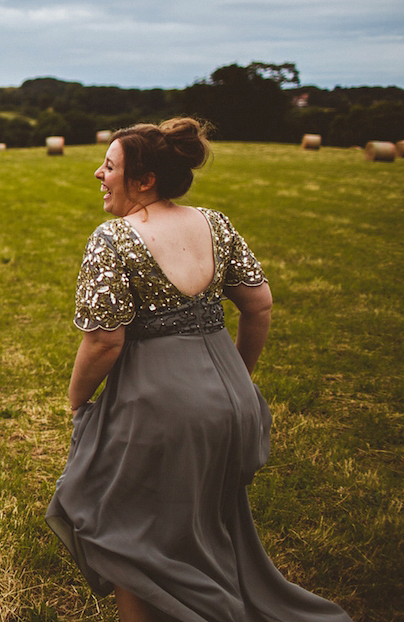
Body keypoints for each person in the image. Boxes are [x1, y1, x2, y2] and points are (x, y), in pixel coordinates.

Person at [46, 118, 351, 622]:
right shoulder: (215, 223)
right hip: (229, 400)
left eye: (110, 166)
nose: (98, 174)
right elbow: (260, 306)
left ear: (145, 180)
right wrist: (239, 379)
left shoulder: (115, 238)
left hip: (159, 405)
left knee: (123, 527)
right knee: (202, 524)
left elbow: (103, 340)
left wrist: (78, 401)